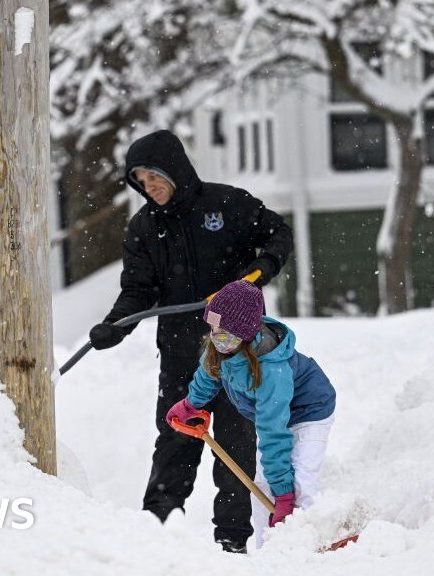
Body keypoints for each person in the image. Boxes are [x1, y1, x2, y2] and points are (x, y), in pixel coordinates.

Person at [88, 129, 293, 553]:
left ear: (175, 168)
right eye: (141, 182)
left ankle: (232, 541)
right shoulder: (143, 228)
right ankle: (157, 530)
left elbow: (278, 236)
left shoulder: (227, 204)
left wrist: (255, 275)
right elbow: (138, 291)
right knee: (176, 436)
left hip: (238, 350)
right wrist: (115, 325)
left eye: (155, 177)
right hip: (182, 354)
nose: (150, 188)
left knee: (236, 444)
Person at [166, 280, 336, 548]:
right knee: (261, 486)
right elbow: (208, 375)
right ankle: (269, 550)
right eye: (212, 328)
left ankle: (312, 545)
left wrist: (284, 495)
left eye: (224, 331)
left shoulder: (272, 369)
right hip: (272, 413)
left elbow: (272, 432)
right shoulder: (222, 347)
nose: (215, 336)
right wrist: (190, 405)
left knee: (300, 483)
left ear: (244, 333)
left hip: (309, 411)